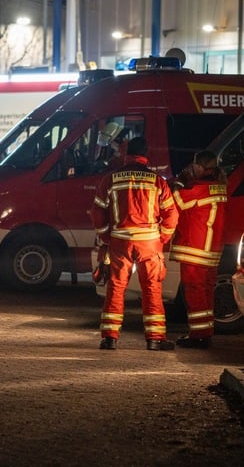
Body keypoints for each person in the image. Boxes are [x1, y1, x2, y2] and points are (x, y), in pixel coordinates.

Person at [90, 136, 179, 351]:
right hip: (149, 242)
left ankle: (109, 338)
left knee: (116, 288)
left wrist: (106, 238)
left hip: (120, 242)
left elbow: (97, 212)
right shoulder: (157, 181)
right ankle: (155, 339)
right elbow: (171, 215)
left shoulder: (111, 179)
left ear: (126, 154)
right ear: (146, 155)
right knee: (151, 289)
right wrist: (163, 238)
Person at [169, 150, 228, 349]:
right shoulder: (218, 187)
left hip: (196, 247)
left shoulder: (200, 188)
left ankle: (199, 335)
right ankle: (205, 331)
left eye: (194, 165)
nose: (191, 168)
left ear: (201, 167)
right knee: (206, 292)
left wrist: (178, 182)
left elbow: (178, 201)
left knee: (194, 291)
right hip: (211, 249)